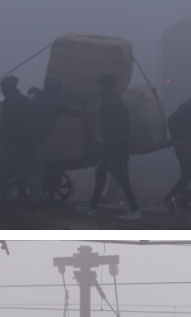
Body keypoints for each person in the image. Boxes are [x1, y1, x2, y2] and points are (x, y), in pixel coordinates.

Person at [79, 74, 140, 221]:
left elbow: (116, 123)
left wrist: (106, 135)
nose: (97, 88)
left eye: (99, 85)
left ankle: (135, 210)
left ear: (106, 86)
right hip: (111, 144)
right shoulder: (113, 99)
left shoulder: (111, 100)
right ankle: (92, 207)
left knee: (121, 177)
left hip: (114, 145)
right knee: (100, 173)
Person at [0, 76, 43, 204]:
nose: (1, 91)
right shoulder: (24, 99)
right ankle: (40, 198)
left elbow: (8, 123)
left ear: (5, 89)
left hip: (12, 143)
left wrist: (3, 140)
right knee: (27, 171)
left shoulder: (10, 100)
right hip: (26, 142)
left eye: (2, 88)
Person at [28, 76, 85, 199]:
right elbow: (73, 113)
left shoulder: (38, 97)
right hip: (36, 138)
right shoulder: (56, 101)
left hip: (27, 135)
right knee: (34, 168)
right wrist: (87, 111)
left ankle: (27, 193)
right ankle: (38, 196)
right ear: (56, 89)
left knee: (29, 165)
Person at [162, 86, 191, 211]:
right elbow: (172, 119)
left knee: (185, 174)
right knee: (189, 174)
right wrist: (175, 139)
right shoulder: (187, 107)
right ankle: (169, 198)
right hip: (182, 145)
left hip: (185, 144)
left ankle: (182, 203)